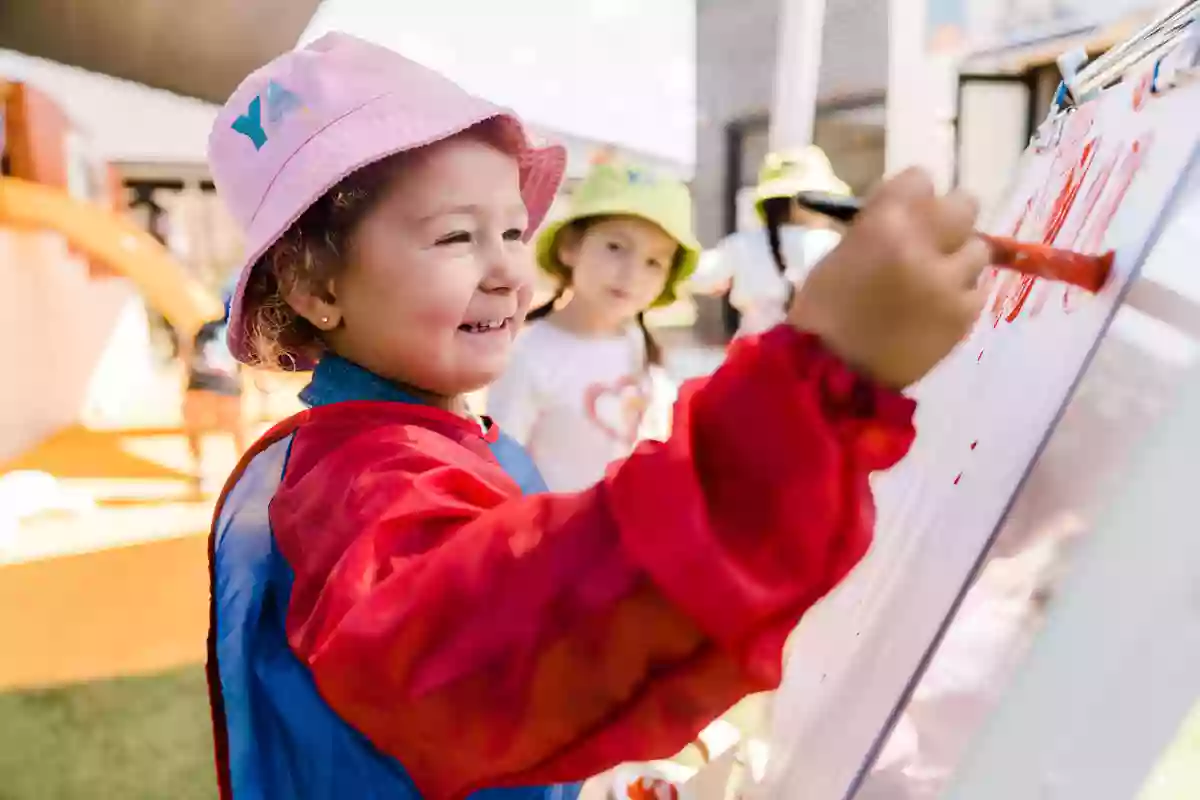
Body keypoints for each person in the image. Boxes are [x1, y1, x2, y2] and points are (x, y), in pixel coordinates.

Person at [205, 32, 989, 800]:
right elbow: (505, 644)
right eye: (454, 236)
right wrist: (819, 380)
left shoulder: (427, 437)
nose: (509, 270)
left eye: (513, 230)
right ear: (318, 289)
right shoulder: (358, 483)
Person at [486, 160, 700, 492]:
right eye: (615, 247)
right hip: (558, 538)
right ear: (571, 246)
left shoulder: (635, 340)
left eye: (653, 262)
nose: (632, 275)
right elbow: (502, 470)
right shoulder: (529, 355)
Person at [690, 146, 853, 339]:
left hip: (751, 354)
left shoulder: (742, 244)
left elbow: (698, 276)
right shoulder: (833, 245)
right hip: (814, 355)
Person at [180, 292, 246, 497]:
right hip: (224, 385)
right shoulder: (241, 330)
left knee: (196, 429)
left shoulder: (203, 328)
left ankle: (199, 473)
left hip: (202, 383)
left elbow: (188, 355)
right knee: (237, 431)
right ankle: (243, 474)